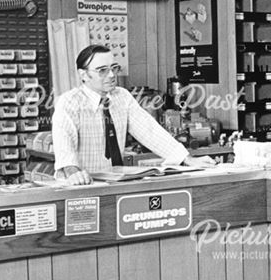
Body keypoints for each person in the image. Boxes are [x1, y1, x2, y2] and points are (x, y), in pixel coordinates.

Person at [52, 45, 214, 184]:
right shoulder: (69, 102)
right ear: (84, 75)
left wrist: (187, 159)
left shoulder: (121, 96)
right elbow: (64, 147)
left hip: (115, 181)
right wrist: (74, 173)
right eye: (102, 70)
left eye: (113, 68)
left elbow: (149, 131)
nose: (111, 75)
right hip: (82, 185)